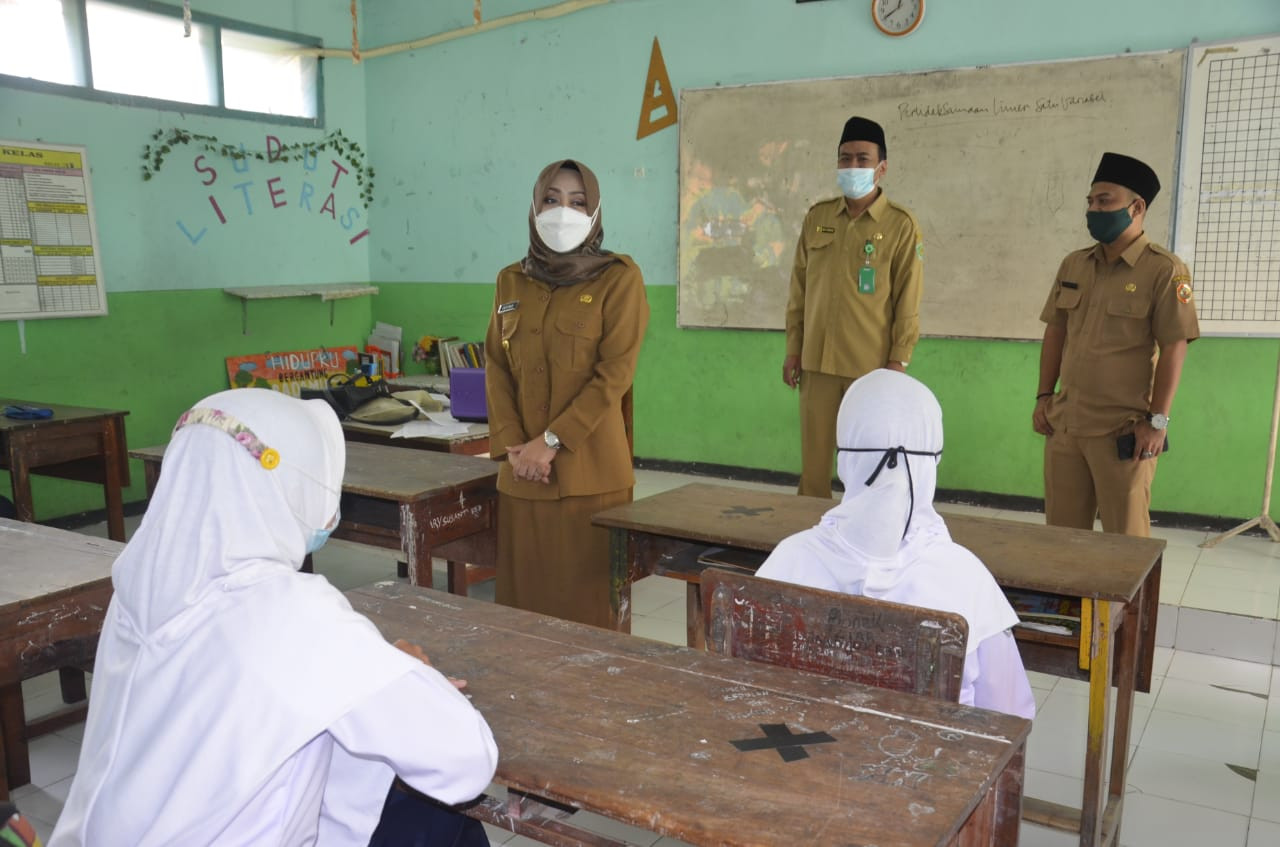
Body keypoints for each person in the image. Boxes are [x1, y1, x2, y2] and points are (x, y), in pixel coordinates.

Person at [50, 388, 497, 847]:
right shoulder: (289, 611)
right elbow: (464, 762)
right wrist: (405, 677)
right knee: (443, 818)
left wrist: (373, 669)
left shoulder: (140, 582)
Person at [757, 370, 1035, 718]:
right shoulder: (965, 578)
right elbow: (1010, 715)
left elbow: (742, 685)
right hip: (932, 764)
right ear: (931, 464)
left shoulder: (788, 561)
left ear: (845, 458)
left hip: (797, 759)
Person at [484, 159, 649, 629]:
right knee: (522, 619)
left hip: (590, 479)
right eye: (551, 200)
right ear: (534, 207)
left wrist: (551, 442)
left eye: (578, 203)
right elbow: (496, 365)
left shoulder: (619, 279)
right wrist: (517, 447)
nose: (563, 212)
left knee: (589, 623)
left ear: (595, 213)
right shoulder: (510, 280)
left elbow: (613, 376)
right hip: (523, 474)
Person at [1033, 152, 1199, 537]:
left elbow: (1175, 346)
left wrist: (1157, 423)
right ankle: (1071, 603)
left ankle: (1119, 603)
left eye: (1104, 201)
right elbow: (1055, 331)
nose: (1094, 209)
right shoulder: (1074, 265)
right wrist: (1044, 397)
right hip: (1067, 426)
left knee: (1125, 546)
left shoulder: (1164, 270)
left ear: (1136, 207)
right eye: (1091, 202)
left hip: (1123, 433)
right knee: (1062, 541)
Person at [783, 116, 924, 498]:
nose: (852, 167)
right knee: (813, 473)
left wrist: (898, 363)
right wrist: (793, 349)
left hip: (870, 368)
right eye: (845, 159)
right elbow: (799, 290)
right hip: (817, 365)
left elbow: (907, 299)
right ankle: (811, 543)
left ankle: (864, 542)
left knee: (866, 467)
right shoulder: (818, 218)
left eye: (862, 159)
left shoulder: (900, 226)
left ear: (882, 167)